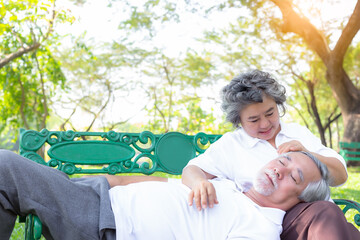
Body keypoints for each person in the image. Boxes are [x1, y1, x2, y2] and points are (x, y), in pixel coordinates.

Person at [181, 69, 360, 239]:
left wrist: (307, 153)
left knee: (340, 225)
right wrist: (199, 181)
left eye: (270, 113)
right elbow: (192, 170)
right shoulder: (232, 144)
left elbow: (340, 176)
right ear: (239, 121)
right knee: (326, 212)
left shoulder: (297, 132)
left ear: (277, 105)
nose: (265, 124)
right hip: (274, 223)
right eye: (254, 120)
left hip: (324, 221)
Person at [1, 149, 329, 240]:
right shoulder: (232, 188)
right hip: (97, 196)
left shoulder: (260, 228)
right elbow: (163, 184)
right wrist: (109, 180)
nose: (279, 168)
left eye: (294, 175)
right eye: (283, 159)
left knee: (4, 167)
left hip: (106, 223)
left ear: (301, 198)